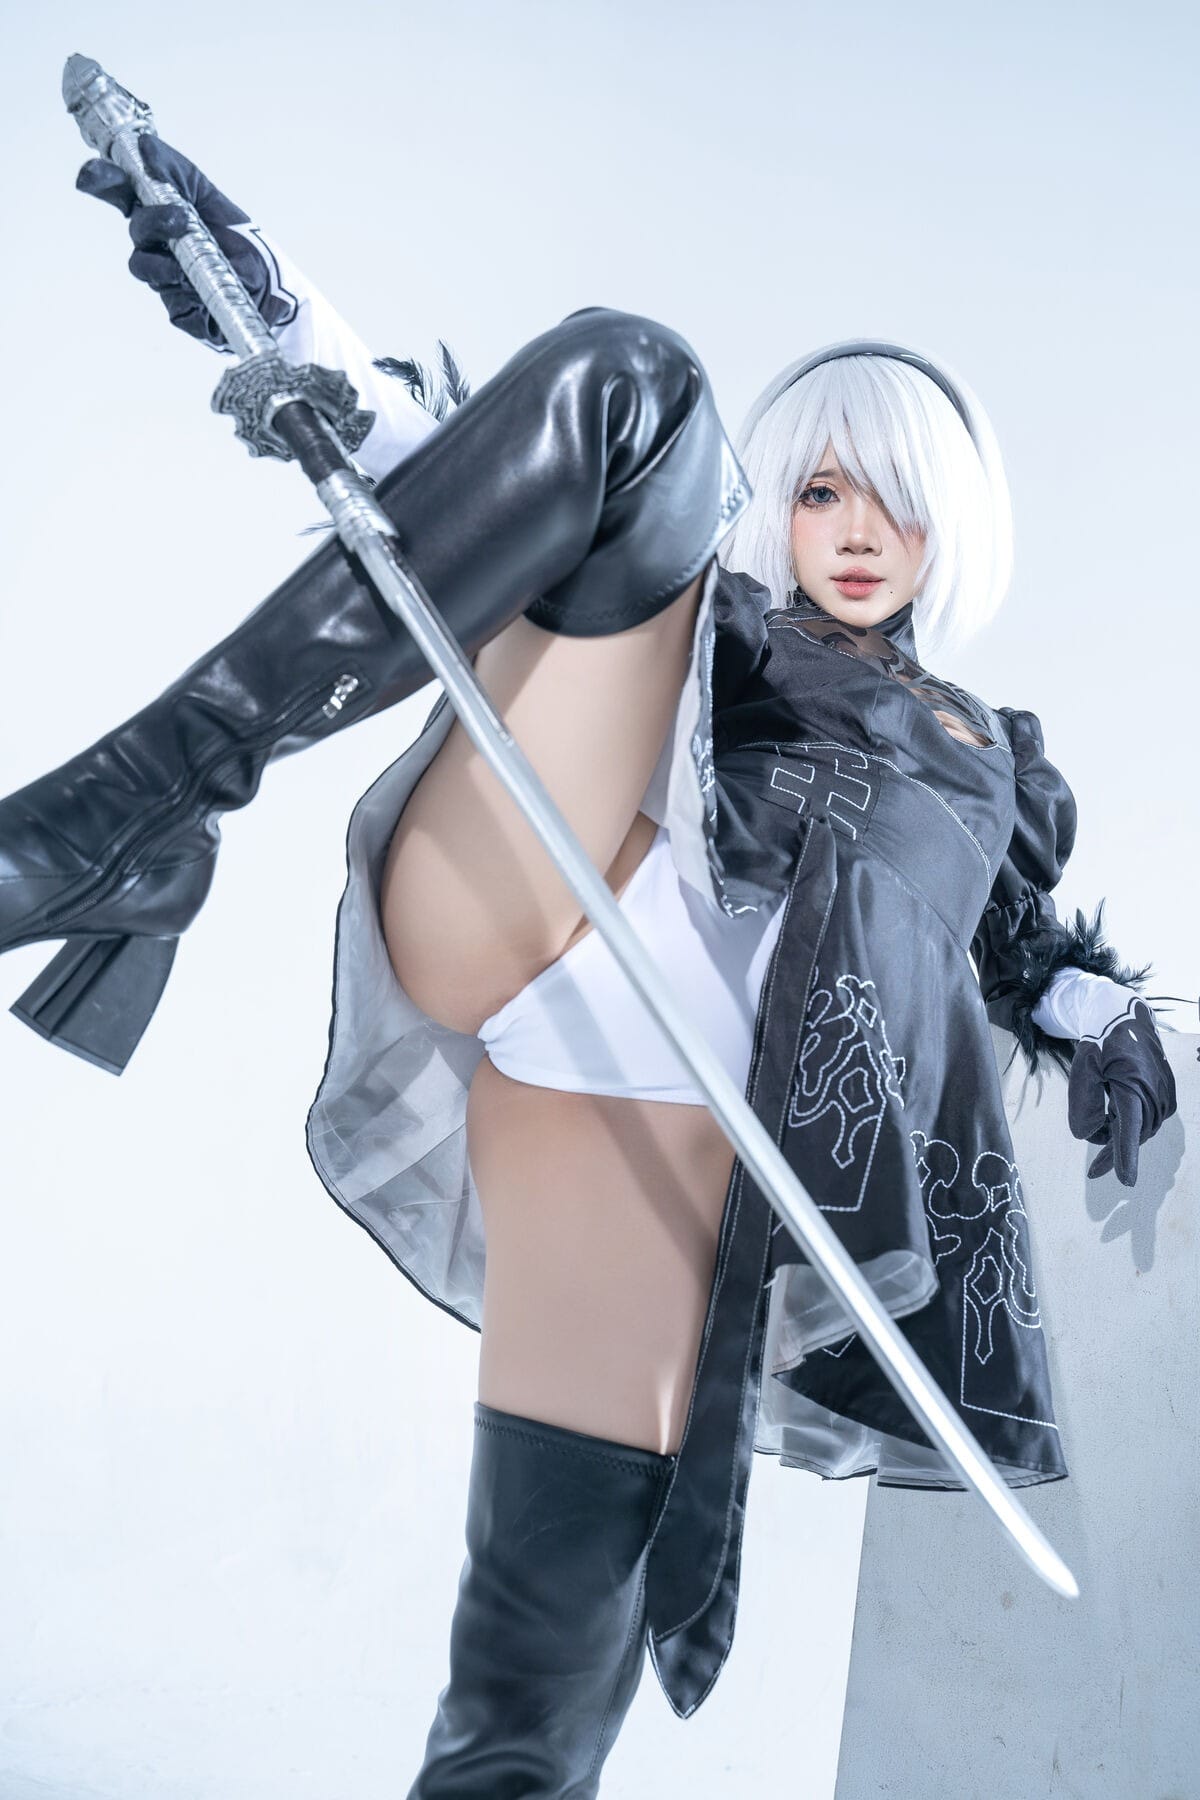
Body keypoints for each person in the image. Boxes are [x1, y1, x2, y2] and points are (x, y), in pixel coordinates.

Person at [0, 137, 1177, 1796]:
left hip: (661, 1128)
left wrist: (1099, 1008)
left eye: (895, 496)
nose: (854, 529)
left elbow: (1000, 936)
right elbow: (459, 484)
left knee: (540, 1670)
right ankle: (138, 811)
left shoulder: (994, 757)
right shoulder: (722, 625)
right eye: (820, 490)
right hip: (541, 908)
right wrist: (284, 320)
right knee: (636, 388)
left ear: (954, 521)